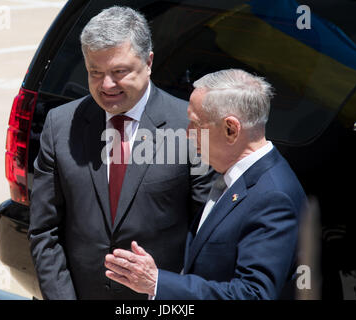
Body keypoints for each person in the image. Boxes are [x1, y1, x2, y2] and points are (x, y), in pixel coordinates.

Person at [28, 6, 216, 300]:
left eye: (119, 72)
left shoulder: (190, 128)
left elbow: (208, 237)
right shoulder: (60, 125)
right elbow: (44, 232)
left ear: (149, 62)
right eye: (95, 72)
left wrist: (168, 292)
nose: (106, 85)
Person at [104, 69, 308, 299]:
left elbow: (252, 295)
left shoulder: (272, 197)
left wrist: (157, 283)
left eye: (196, 124)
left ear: (231, 129)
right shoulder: (234, 176)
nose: (187, 133)